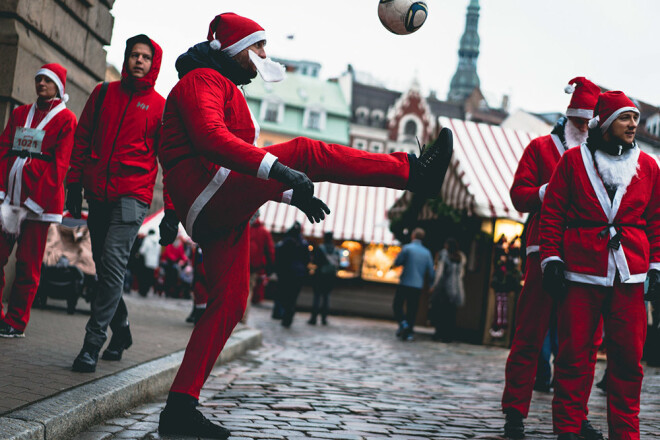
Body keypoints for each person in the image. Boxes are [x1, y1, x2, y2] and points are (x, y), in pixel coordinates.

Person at [155, 12, 452, 438]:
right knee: (308, 151)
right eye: (258, 47)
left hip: (215, 202)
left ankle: (179, 408)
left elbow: (239, 167)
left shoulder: (221, 85)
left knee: (231, 302)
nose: (263, 56)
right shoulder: (201, 80)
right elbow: (210, 141)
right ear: (236, 49)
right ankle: (412, 173)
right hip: (207, 195)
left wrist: (291, 194)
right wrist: (281, 169)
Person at [540, 90, 659, 440]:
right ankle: (568, 429)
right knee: (573, 359)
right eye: (625, 117)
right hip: (581, 272)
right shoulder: (573, 162)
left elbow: (656, 221)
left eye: (635, 117)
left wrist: (656, 267)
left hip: (630, 275)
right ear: (605, 124)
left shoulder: (649, 167)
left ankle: (626, 434)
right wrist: (551, 259)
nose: (633, 124)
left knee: (627, 363)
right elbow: (553, 214)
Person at [501, 77, 604, 440]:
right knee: (529, 334)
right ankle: (514, 412)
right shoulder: (541, 148)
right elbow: (519, 195)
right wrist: (550, 191)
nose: (584, 130)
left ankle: (576, 416)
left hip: (584, 257)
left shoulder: (600, 158)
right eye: (579, 123)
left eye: (589, 124)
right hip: (542, 250)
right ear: (569, 119)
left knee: (580, 342)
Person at [66, 34, 167, 372]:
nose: (138, 61)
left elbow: (169, 160)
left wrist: (173, 210)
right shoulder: (103, 93)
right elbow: (82, 137)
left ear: (154, 64)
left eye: (145, 57)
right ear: (126, 59)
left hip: (133, 196)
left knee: (111, 266)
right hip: (98, 194)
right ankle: (121, 331)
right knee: (104, 270)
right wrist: (73, 183)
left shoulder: (159, 106)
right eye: (134, 55)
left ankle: (91, 345)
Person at [0, 63, 77, 337]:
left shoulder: (66, 119)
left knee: (27, 264)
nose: (41, 83)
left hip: (38, 206)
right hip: (10, 198)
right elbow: (4, 147)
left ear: (59, 86)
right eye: (38, 79)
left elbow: (60, 165)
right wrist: (1, 189)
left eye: (47, 80)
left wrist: (36, 201)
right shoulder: (20, 112)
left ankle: (16, 322)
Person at [391, 227, 434, 341]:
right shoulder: (426, 253)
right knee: (412, 309)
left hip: (405, 282)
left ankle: (403, 323)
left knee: (397, 305)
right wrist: (431, 284)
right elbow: (431, 271)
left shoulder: (407, 248)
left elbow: (397, 262)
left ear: (413, 236)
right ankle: (409, 331)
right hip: (417, 285)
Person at [274, 222, 310, 328]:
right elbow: (307, 259)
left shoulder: (285, 242)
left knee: (283, 295)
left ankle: (284, 314)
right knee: (292, 297)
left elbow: (279, 257)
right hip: (298, 274)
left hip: (286, 273)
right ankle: (288, 315)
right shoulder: (303, 243)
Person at [429, 238, 466, 342]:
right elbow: (462, 274)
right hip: (456, 287)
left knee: (440, 311)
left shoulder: (444, 256)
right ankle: (448, 335)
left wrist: (434, 286)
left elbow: (439, 273)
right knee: (451, 313)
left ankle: (439, 333)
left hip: (444, 288)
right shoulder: (460, 257)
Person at [245, 210, 275, 322]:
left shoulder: (244, 227)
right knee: (247, 291)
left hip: (240, 264)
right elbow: (270, 252)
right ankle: (242, 318)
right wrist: (269, 269)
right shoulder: (264, 232)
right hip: (254, 268)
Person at [308, 231, 341, 325]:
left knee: (317, 297)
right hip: (330, 277)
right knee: (326, 298)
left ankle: (313, 318)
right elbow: (338, 263)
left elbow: (315, 261)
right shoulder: (335, 250)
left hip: (320, 276)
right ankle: (324, 319)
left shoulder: (321, 248)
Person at [138, 229, 161, 296]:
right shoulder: (158, 241)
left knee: (144, 277)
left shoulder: (147, 239)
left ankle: (143, 291)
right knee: (150, 277)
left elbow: (142, 250)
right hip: (154, 263)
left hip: (146, 261)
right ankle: (147, 289)